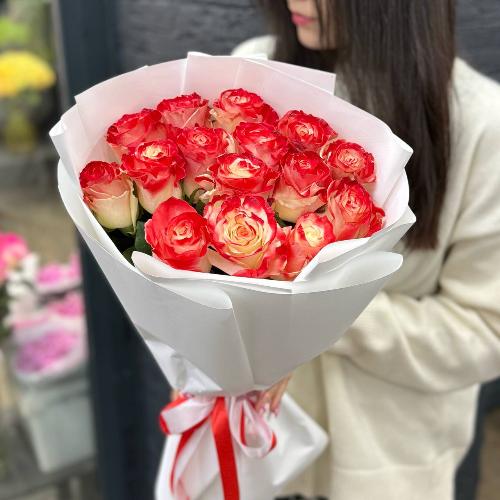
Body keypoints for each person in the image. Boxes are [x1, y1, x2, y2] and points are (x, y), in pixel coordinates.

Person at [233, 1, 500, 499]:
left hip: (383, 465)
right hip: (254, 444)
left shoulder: (481, 122)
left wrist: (319, 313)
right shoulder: (254, 76)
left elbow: (485, 332)